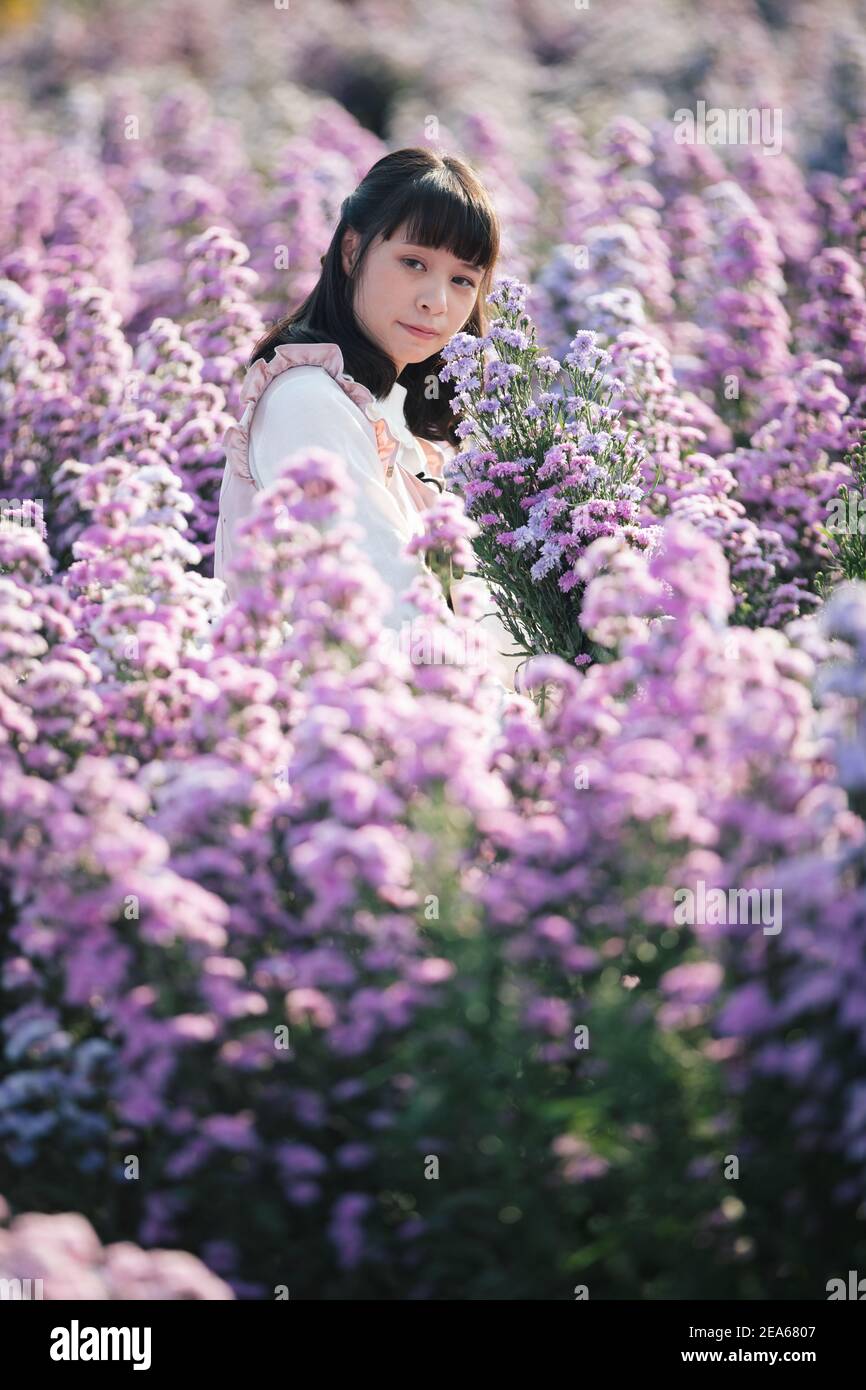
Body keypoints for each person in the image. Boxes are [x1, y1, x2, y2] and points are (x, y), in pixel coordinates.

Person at [215, 146, 524, 691]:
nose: (436, 301)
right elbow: (387, 604)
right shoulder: (306, 400)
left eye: (463, 280)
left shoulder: (388, 417)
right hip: (323, 744)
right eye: (414, 263)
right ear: (353, 251)